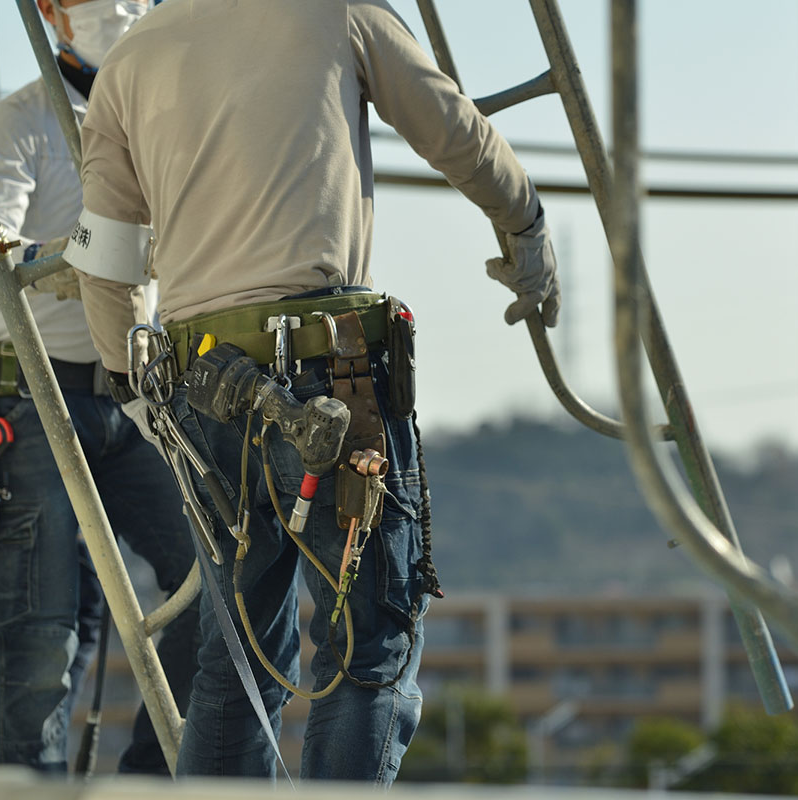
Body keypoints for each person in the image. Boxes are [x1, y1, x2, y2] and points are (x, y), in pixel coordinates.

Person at [64, 0, 559, 784]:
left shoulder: (129, 59)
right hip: (333, 375)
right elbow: (455, 133)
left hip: (204, 390)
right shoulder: (338, 9)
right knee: (370, 647)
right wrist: (525, 225)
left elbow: (107, 263)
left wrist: (142, 404)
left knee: (236, 664)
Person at [0, 0, 198, 772]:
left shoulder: (165, 118)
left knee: (212, 584)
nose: (123, 10)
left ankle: (150, 783)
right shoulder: (17, 122)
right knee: (42, 645)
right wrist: (76, 259)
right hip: (32, 393)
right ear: (52, 12)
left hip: (135, 389)